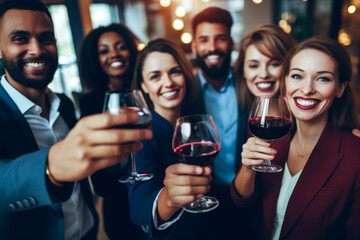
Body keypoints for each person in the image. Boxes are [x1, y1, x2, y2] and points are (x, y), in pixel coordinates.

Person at [0, 0, 152, 239]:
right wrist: (51, 167)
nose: (37, 49)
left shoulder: (66, 105)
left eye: (46, 38)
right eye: (20, 39)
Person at [231, 36, 360, 239]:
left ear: (340, 88)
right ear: (285, 81)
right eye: (297, 76)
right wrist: (248, 167)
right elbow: (242, 201)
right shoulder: (274, 138)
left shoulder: (355, 154)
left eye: (323, 78)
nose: (307, 89)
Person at [128, 38, 213, 239]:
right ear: (144, 86)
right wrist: (170, 200)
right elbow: (139, 208)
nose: (168, 83)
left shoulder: (195, 121)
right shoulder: (141, 135)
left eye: (175, 71)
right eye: (155, 76)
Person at [186, 7, 250, 238]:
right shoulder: (184, 92)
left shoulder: (250, 84)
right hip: (202, 199)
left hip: (249, 196)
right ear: (194, 46)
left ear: (231, 42)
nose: (212, 47)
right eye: (204, 40)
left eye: (220, 39)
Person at [77, 23, 145, 240]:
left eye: (120, 46)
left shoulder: (148, 90)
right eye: (104, 50)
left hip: (156, 195)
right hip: (119, 205)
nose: (114, 54)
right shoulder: (91, 102)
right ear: (95, 59)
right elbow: (100, 183)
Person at [234, 24, 295, 112]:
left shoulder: (300, 120)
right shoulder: (239, 116)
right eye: (253, 65)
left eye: (274, 64)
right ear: (243, 70)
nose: (264, 74)